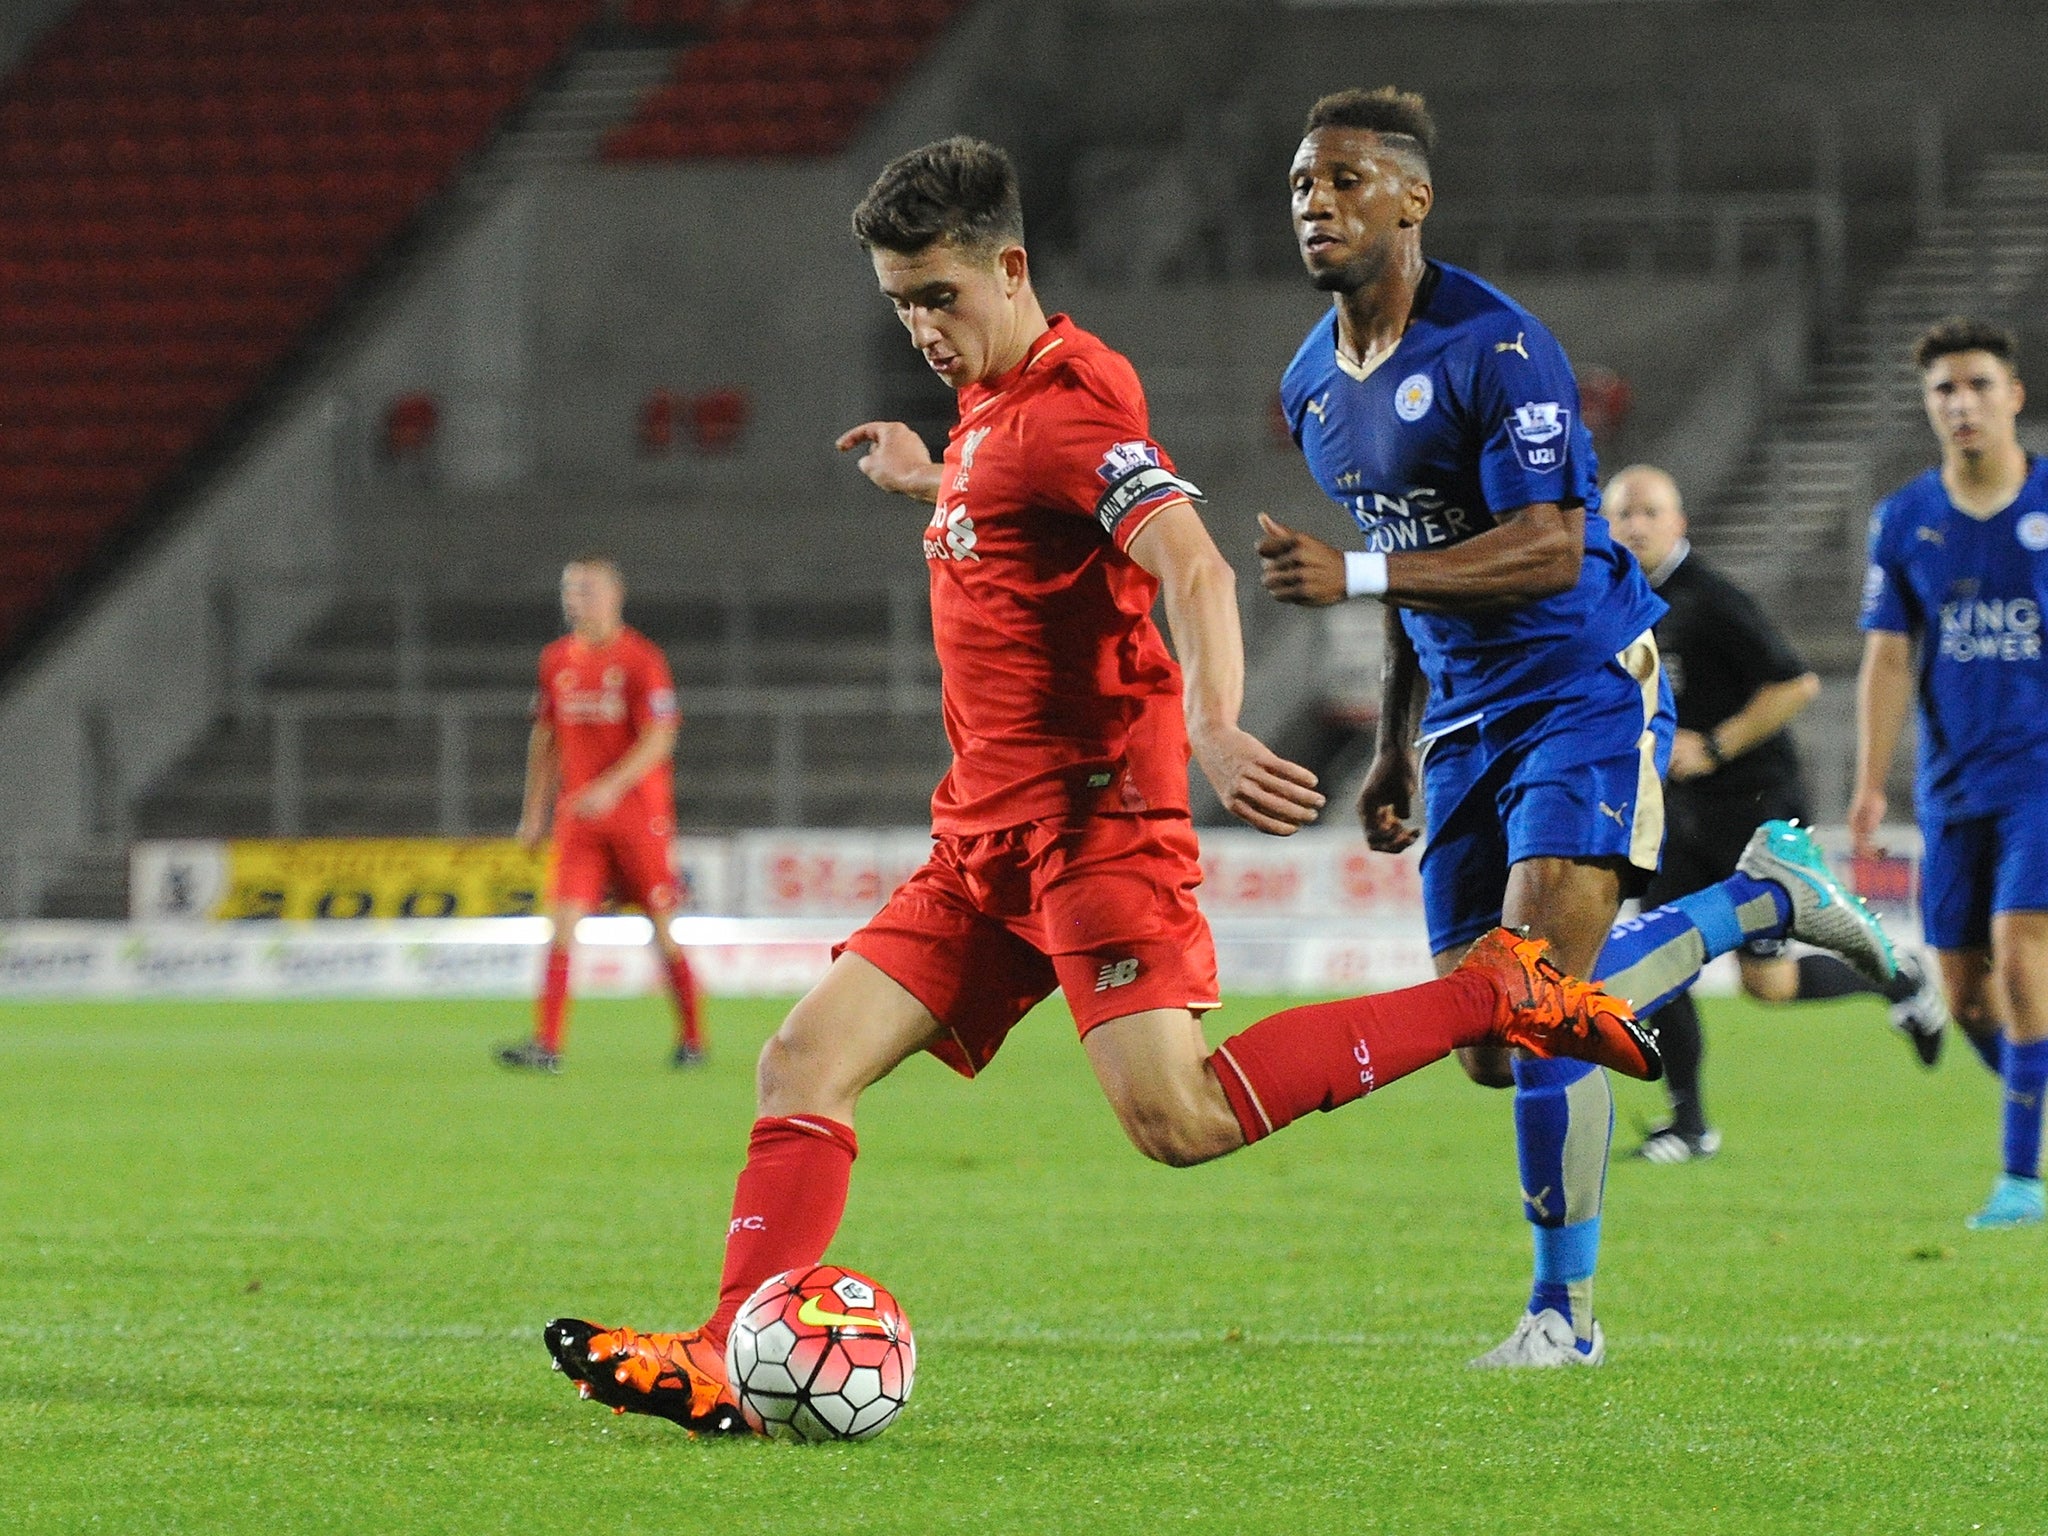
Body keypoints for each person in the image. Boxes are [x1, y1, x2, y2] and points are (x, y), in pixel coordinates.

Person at [542, 136, 1666, 1432]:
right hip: (981, 846)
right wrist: (934, 476)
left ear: (1010, 268)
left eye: (940, 299)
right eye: (901, 303)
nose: (920, 327)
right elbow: (1012, 520)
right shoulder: (985, 415)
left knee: (1179, 1119)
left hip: (1092, 832)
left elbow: (1190, 565)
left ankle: (1491, 989)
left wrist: (1216, 724)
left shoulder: (1075, 404)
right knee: (800, 1064)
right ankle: (721, 1353)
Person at [1254, 88, 1896, 1364]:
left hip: (1579, 687)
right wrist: (1393, 736)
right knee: (1483, 1046)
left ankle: (1562, 1317)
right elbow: (1407, 551)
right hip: (1461, 723)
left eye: (1340, 180)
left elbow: (1547, 549)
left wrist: (1360, 579)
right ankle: (1759, 899)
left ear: (1411, 198)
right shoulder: (1311, 383)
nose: (1314, 204)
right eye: (1297, 186)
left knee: (1536, 1001)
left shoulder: (1496, 348)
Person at [1606, 465, 1948, 1162]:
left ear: (1680, 523)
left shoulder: (1711, 598)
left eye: (1649, 512)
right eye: (1620, 514)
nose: (1634, 525)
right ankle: (1690, 1126)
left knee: (1770, 983)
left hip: (1757, 807)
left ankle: (1901, 976)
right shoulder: (1622, 600)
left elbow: (1796, 682)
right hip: (1686, 809)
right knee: (1658, 955)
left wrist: (1719, 744)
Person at [1854, 317, 2048, 1230]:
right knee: (1963, 990)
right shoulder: (1905, 519)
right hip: (1952, 786)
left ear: (2012, 395)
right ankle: (2033, 1118)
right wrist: (1869, 783)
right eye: (1944, 390)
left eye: (1977, 384)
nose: (1961, 402)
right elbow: (1889, 658)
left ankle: (2020, 1177)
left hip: (2041, 778)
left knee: (2020, 956)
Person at [496, 556, 705, 1072]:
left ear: (615, 595)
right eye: (569, 589)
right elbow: (544, 739)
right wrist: (532, 815)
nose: (575, 599)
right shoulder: (556, 660)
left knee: (660, 924)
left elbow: (661, 736)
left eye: (586, 589)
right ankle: (547, 1045)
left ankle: (693, 1039)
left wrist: (610, 789)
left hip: (637, 815)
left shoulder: (640, 659)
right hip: (580, 818)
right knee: (562, 924)